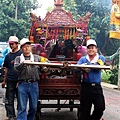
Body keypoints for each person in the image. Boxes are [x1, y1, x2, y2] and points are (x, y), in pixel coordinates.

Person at [14, 38, 49, 120]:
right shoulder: (18, 59)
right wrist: (24, 63)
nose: (27, 48)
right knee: (22, 107)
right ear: (21, 48)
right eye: (25, 47)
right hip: (23, 84)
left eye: (28, 46)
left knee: (33, 107)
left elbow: (47, 61)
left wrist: (44, 67)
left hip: (34, 84)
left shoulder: (37, 58)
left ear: (31, 47)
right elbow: (16, 68)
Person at [77, 39, 105, 120]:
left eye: (93, 48)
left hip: (97, 87)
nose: (91, 50)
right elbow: (77, 68)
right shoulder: (83, 59)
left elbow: (98, 66)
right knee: (84, 111)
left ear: (96, 49)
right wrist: (82, 68)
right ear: (86, 50)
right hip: (86, 87)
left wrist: (86, 66)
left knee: (100, 108)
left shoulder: (100, 57)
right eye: (89, 48)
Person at [1, 36, 22, 120]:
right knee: (9, 99)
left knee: (20, 99)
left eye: (12, 44)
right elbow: (6, 68)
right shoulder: (8, 56)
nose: (11, 45)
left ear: (17, 44)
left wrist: (20, 80)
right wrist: (4, 81)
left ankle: (20, 115)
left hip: (19, 80)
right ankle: (11, 115)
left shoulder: (21, 55)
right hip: (10, 80)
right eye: (10, 44)